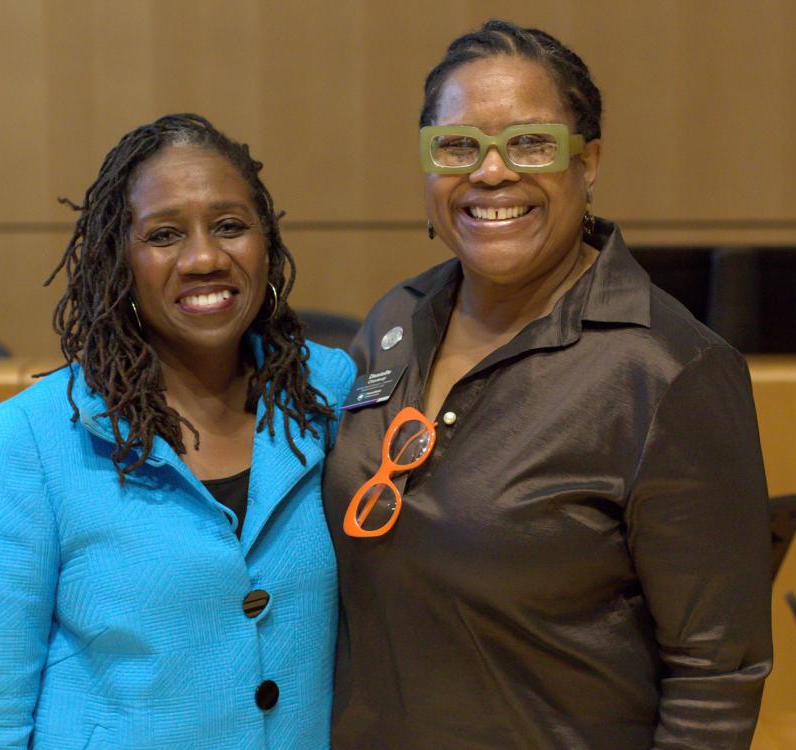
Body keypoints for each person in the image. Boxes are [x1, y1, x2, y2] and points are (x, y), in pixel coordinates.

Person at [323, 20, 772, 750]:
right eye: (458, 146)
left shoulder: (668, 371)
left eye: (530, 143)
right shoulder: (395, 318)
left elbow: (716, 676)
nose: (491, 173)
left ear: (587, 161)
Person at [0, 114, 355, 748]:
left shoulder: (329, 395)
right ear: (119, 259)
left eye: (230, 226)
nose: (205, 257)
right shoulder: (37, 438)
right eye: (163, 234)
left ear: (267, 243)